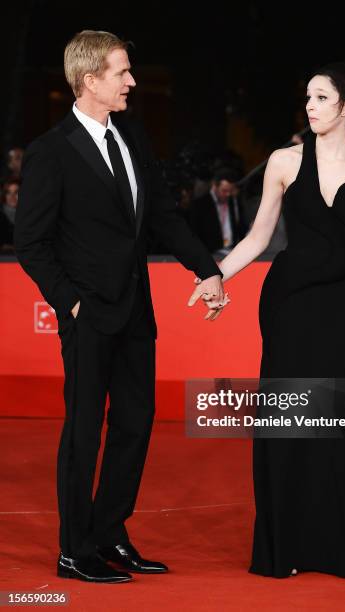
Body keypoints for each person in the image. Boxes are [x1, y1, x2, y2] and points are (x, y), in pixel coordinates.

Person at [196, 63, 345, 579]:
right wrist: (215, 277)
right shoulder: (282, 161)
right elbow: (256, 239)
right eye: (307, 98)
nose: (310, 106)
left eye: (321, 98)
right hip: (289, 304)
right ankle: (292, 543)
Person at [14, 30, 228, 584]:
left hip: (136, 312)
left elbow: (162, 217)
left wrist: (206, 268)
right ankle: (73, 549)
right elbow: (32, 244)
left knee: (135, 424)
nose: (133, 81)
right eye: (122, 72)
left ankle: (110, 532)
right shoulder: (50, 152)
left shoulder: (133, 136)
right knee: (84, 432)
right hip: (88, 317)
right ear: (90, 81)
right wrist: (72, 305)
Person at [189, 167, 247, 252]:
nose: (228, 194)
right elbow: (195, 233)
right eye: (224, 191)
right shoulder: (200, 204)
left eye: (230, 191)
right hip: (210, 253)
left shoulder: (234, 202)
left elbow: (239, 226)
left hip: (231, 250)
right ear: (214, 186)